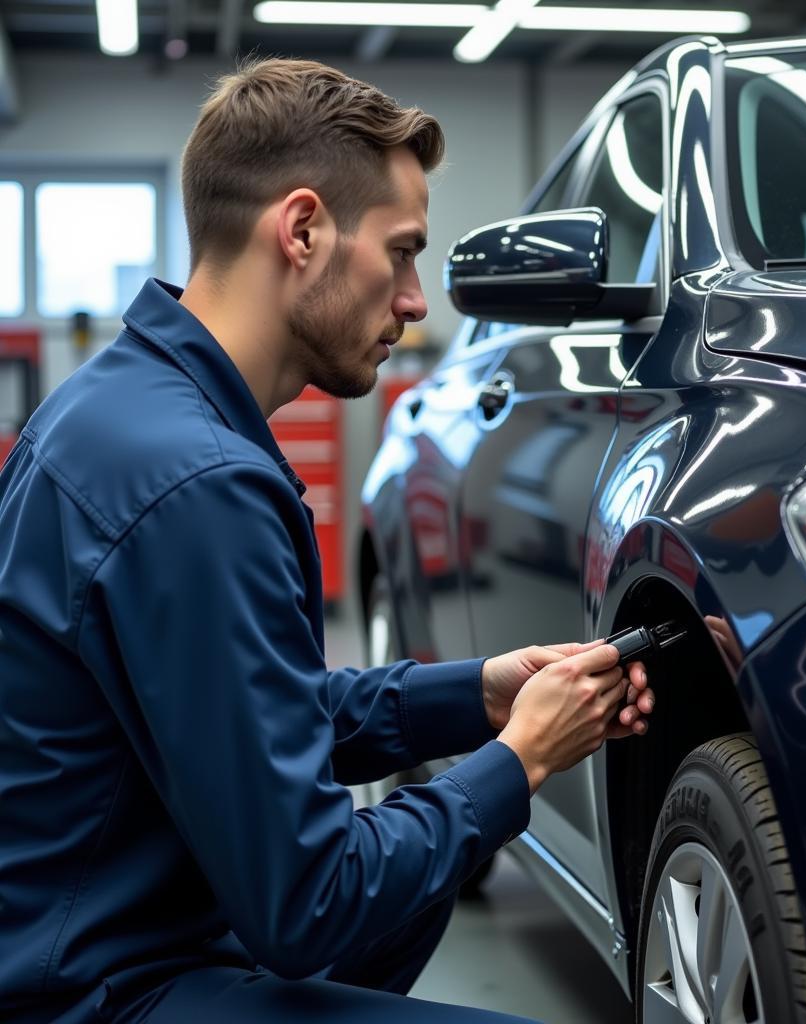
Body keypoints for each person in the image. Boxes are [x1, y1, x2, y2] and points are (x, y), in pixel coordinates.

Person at [0, 58, 655, 1024]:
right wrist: (518, 762)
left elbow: (255, 711)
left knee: (418, 880)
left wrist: (477, 697)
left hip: (90, 928)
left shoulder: (126, 409)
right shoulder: (199, 486)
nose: (417, 300)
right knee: (410, 871)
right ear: (302, 230)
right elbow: (310, 906)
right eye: (400, 252)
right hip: (98, 991)